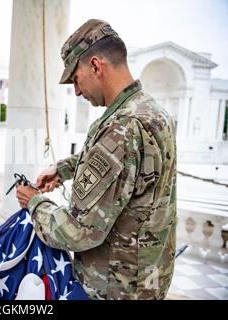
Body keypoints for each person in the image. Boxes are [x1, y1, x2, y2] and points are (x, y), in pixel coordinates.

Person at [16, 19, 177, 300]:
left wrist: (34, 202)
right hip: (148, 279)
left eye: (75, 79)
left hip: (114, 287)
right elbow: (127, 167)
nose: (76, 91)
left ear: (95, 65)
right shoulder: (151, 111)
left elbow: (77, 231)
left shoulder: (121, 127)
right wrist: (63, 170)